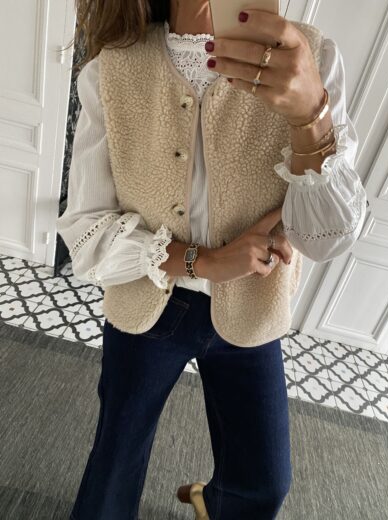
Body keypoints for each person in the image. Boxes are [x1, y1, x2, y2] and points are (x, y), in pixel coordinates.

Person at [57, 1, 368, 518]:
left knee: (264, 484)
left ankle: (211, 501)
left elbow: (327, 241)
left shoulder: (309, 59)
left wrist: (310, 118)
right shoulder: (113, 68)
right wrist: (206, 261)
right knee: (113, 468)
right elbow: (86, 234)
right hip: (146, 305)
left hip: (253, 308)